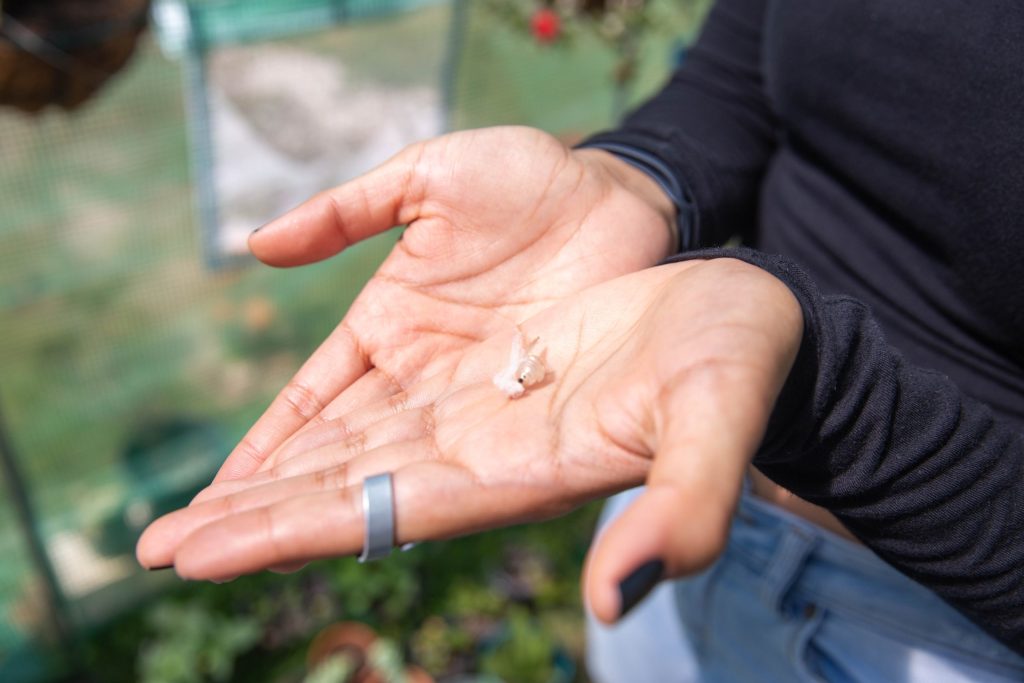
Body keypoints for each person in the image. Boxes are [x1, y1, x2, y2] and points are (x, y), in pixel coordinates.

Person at [137, 0, 1024, 680]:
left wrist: (817, 389)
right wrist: (632, 180)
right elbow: (748, 67)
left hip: (939, 632)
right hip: (654, 519)